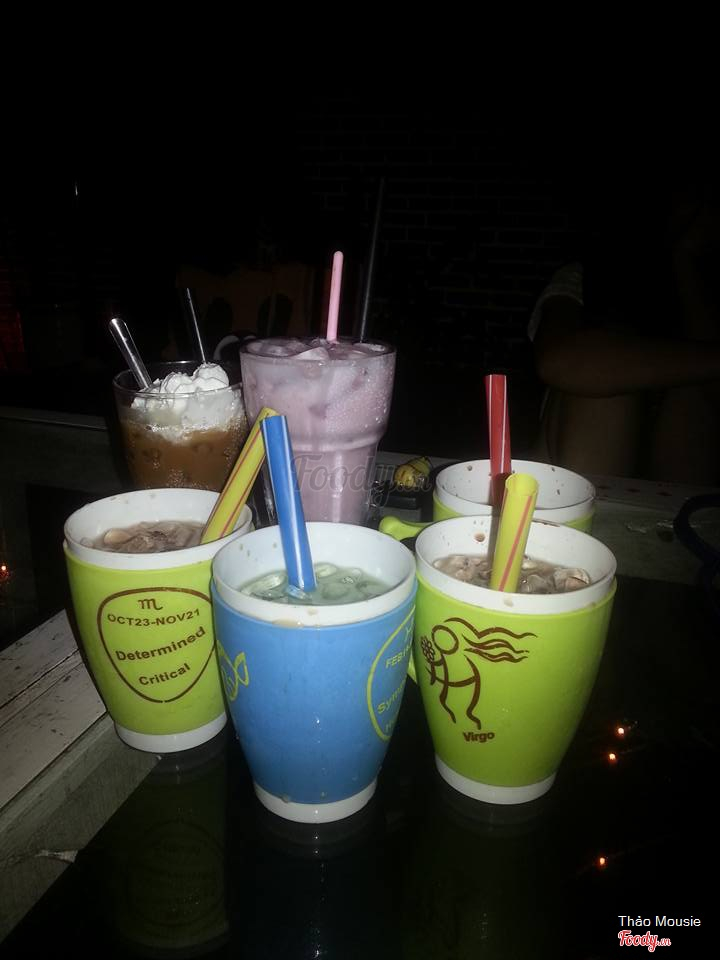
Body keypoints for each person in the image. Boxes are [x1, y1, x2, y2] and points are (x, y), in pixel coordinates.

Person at [529, 181, 720, 484]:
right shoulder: (584, 277)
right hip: (583, 472)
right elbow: (557, 361)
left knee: (692, 395)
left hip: (686, 482)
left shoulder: (706, 290)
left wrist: (687, 263)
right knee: (598, 391)